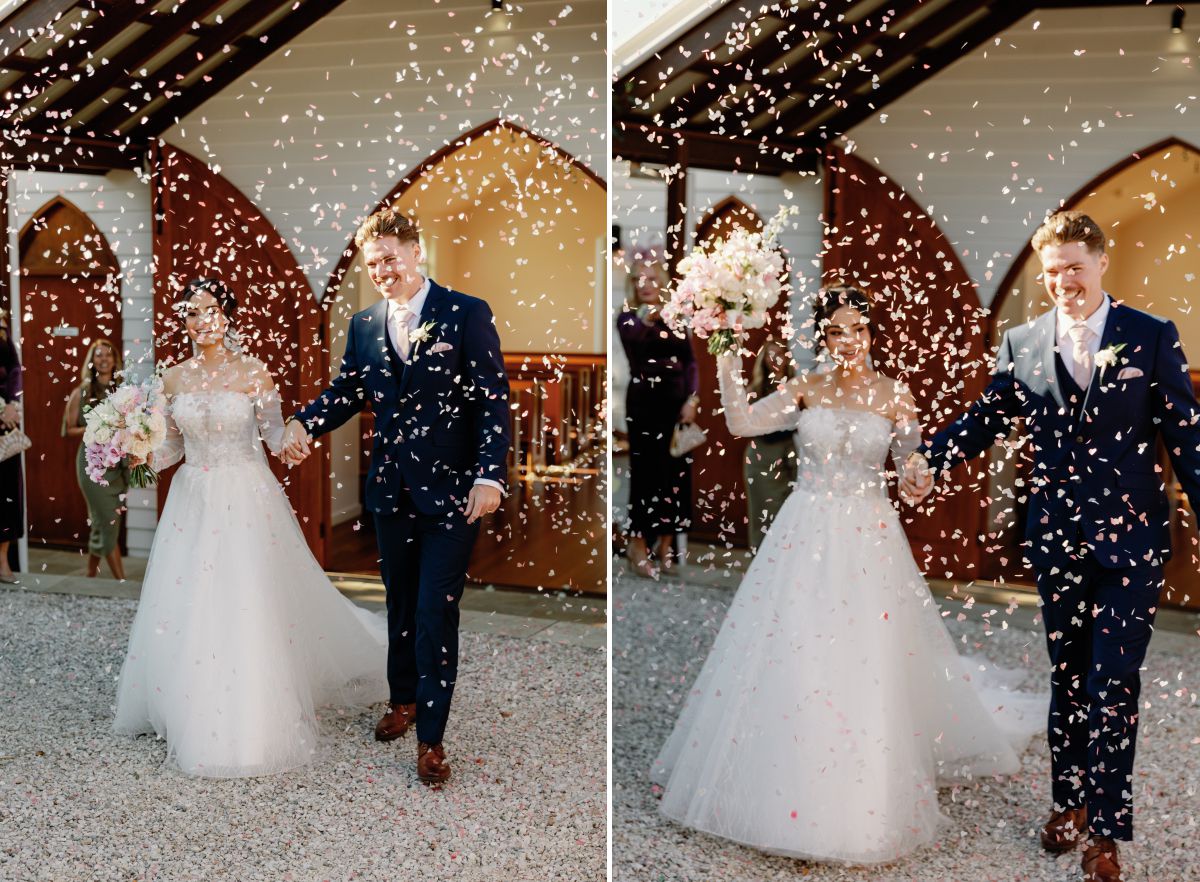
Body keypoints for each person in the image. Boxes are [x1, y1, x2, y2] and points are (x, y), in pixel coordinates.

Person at [651, 285, 1042, 864]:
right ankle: (785, 775)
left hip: (868, 537)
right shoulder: (807, 388)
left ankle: (858, 786)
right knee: (795, 644)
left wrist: (919, 477)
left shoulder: (893, 394)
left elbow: (914, 463)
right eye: (836, 331)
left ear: (871, 334)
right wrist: (729, 350)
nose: (848, 341)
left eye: (857, 329)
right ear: (824, 337)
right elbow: (738, 423)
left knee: (863, 653)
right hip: (804, 530)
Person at [901, 210, 1199, 882]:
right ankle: (1067, 802)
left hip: (1133, 543)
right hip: (1059, 540)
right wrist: (931, 457)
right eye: (1053, 269)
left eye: (1075, 265)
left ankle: (1105, 831)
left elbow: (1187, 439)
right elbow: (986, 418)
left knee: (1113, 681)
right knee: (1068, 676)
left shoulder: (1149, 337)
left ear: (1101, 263)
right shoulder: (1023, 341)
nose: (1064, 279)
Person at [113, 278, 388, 778]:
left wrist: (296, 442)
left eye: (210, 310)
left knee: (245, 598)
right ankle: (186, 705)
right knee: (192, 600)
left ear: (228, 315)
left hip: (244, 494)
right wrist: (139, 456)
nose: (201, 322)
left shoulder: (253, 372)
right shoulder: (172, 380)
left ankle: (253, 714)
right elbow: (172, 447)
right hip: (193, 497)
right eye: (191, 313)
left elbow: (275, 434)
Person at [282, 209, 510, 786]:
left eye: (390, 257)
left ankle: (432, 738)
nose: (382, 269)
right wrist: (304, 424)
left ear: (417, 250)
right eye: (373, 262)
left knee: (437, 609)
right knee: (401, 603)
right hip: (391, 490)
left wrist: (490, 475)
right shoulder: (363, 325)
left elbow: (491, 399)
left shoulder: (465, 312)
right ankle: (403, 700)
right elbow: (347, 391)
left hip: (456, 493)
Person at [617, 247, 699, 576]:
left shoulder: (677, 316)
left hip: (676, 405)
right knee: (646, 474)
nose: (645, 284)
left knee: (675, 475)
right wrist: (648, 315)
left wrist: (692, 400)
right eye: (638, 279)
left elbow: (690, 360)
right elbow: (635, 336)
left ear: (662, 281)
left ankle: (666, 543)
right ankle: (637, 543)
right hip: (644, 404)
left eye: (651, 278)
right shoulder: (626, 317)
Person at [62, 339, 128, 579]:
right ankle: (121, 580)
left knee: (103, 521)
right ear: (92, 361)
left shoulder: (124, 391)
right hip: (92, 467)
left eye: (108, 355)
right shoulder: (80, 392)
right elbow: (68, 430)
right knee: (107, 519)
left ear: (115, 360)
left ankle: (90, 574)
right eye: (98, 355)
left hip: (118, 465)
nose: (103, 360)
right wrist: (98, 426)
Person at [743, 333, 797, 549]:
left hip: (791, 454)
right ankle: (760, 557)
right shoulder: (755, 390)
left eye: (779, 355)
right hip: (762, 455)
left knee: (790, 513)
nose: (775, 360)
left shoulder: (797, 387)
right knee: (762, 513)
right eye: (770, 355)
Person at [0, 314, 21, 583]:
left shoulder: (2, 324)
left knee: (5, 493)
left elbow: (14, 370)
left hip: (5, 423)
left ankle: (3, 560)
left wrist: (11, 405)